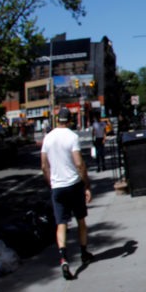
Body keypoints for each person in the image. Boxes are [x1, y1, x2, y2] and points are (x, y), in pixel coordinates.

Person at [41, 107, 93, 280]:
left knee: (61, 224)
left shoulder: (47, 138)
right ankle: (84, 252)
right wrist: (86, 184)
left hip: (57, 187)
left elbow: (44, 166)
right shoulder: (72, 137)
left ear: (57, 120)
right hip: (73, 184)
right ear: (70, 120)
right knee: (81, 220)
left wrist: (51, 183)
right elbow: (79, 163)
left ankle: (63, 258)